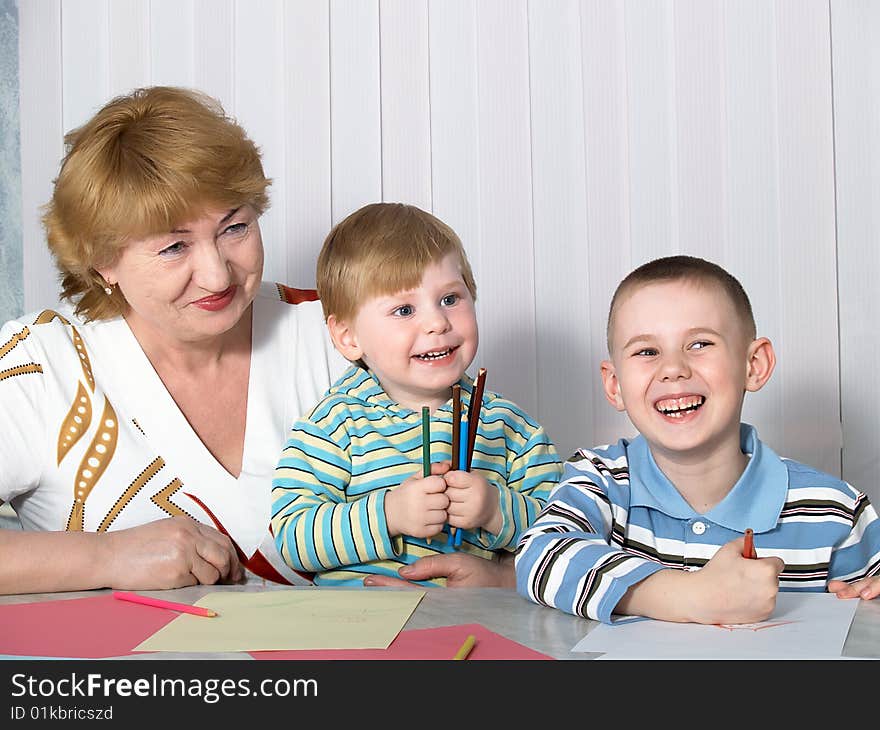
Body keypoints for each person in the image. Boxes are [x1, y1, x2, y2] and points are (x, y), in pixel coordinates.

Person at [0, 85, 525, 595]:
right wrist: (106, 556)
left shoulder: (344, 333)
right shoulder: (39, 362)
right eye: (173, 247)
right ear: (102, 262)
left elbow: (523, 493)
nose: (217, 275)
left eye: (235, 228)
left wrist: (502, 579)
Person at [516, 255, 880, 624]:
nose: (673, 369)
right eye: (647, 351)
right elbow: (539, 557)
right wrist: (689, 596)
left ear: (753, 365)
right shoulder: (600, 479)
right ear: (615, 385)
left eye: (700, 344)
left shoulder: (836, 509)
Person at [271, 202, 562, 586]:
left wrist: (495, 510)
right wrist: (388, 514)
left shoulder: (511, 428)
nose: (437, 322)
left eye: (450, 299)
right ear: (348, 337)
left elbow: (566, 535)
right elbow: (292, 539)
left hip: (475, 625)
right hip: (361, 633)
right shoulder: (333, 425)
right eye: (405, 309)